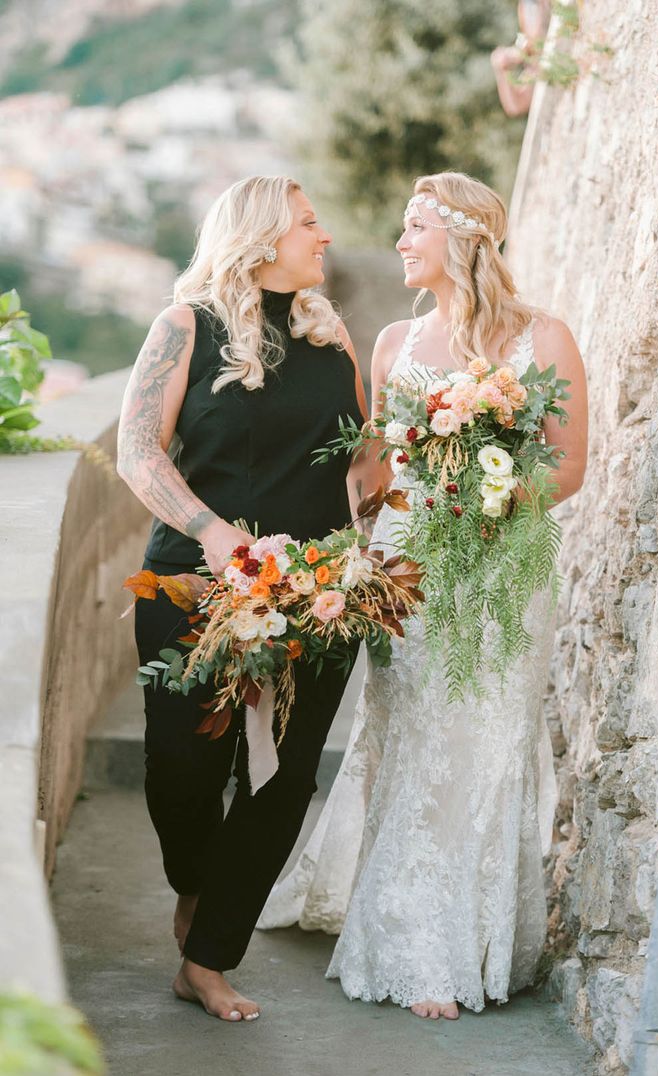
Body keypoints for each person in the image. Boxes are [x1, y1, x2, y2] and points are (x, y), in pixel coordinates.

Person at [258, 171, 588, 1020]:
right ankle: (407, 929)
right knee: (410, 736)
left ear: (463, 239)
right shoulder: (393, 342)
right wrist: (354, 559)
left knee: (485, 738)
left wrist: (489, 500)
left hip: (497, 567)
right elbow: (372, 466)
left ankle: (469, 936)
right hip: (406, 565)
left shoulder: (543, 338)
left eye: (415, 228)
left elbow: (569, 464)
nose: (400, 242)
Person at [116, 175, 377, 1023]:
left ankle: (208, 956)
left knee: (282, 779)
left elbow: (359, 464)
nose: (324, 236)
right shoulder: (184, 326)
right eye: (309, 222)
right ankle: (194, 883)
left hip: (317, 595)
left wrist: (429, 469)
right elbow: (137, 454)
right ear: (262, 236)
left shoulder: (329, 334)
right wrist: (217, 534)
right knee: (183, 768)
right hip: (192, 585)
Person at [491, 0, 552, 117]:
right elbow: (516, 107)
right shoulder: (525, 7)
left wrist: (523, 50)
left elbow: (540, 33)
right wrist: (502, 71)